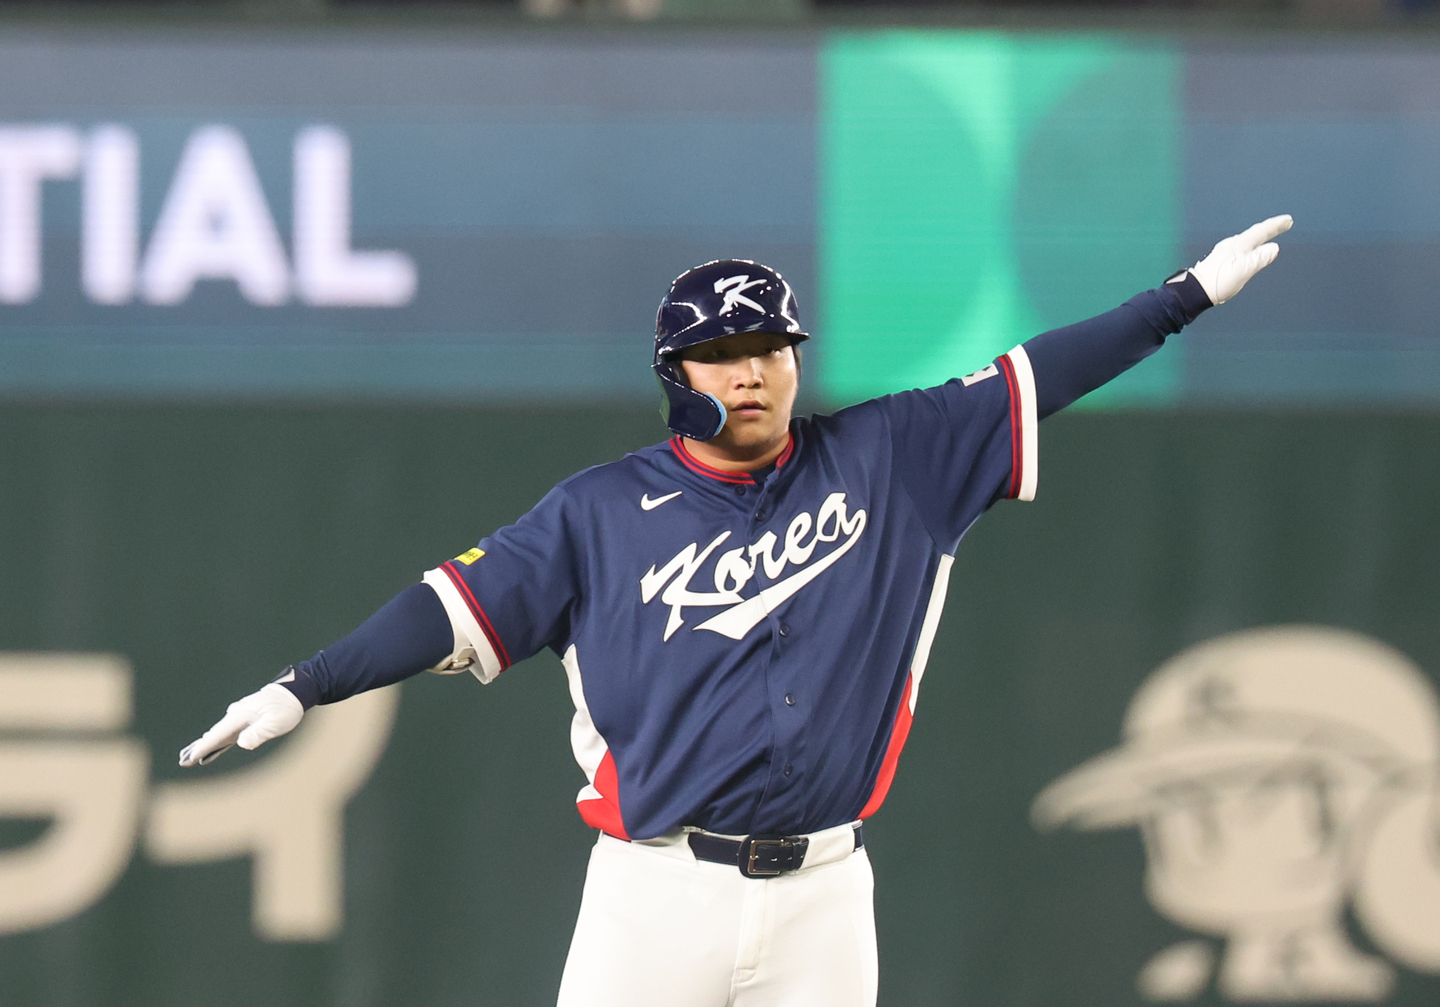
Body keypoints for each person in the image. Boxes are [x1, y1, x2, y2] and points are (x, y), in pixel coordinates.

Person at [179, 215, 1292, 1007]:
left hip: (824, 889)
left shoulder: (894, 458)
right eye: (721, 354)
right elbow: (449, 603)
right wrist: (303, 684)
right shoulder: (600, 513)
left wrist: (1180, 299)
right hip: (655, 889)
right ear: (677, 375)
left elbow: (1033, 375)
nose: (751, 372)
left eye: (768, 348)